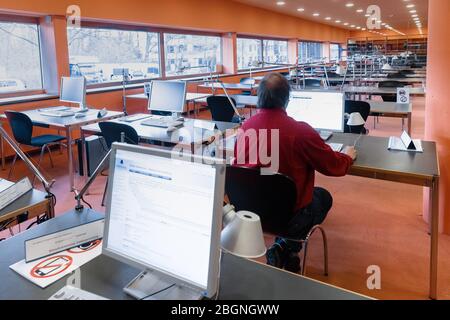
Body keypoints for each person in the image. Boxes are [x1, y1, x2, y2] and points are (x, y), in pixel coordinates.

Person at [234, 73, 357, 273]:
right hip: (289, 217)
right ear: (287, 100)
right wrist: (348, 157)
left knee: (278, 192)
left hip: (252, 213)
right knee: (323, 197)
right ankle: (286, 246)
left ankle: (284, 248)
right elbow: (333, 166)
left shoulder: (245, 128)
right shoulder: (300, 132)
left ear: (259, 97)